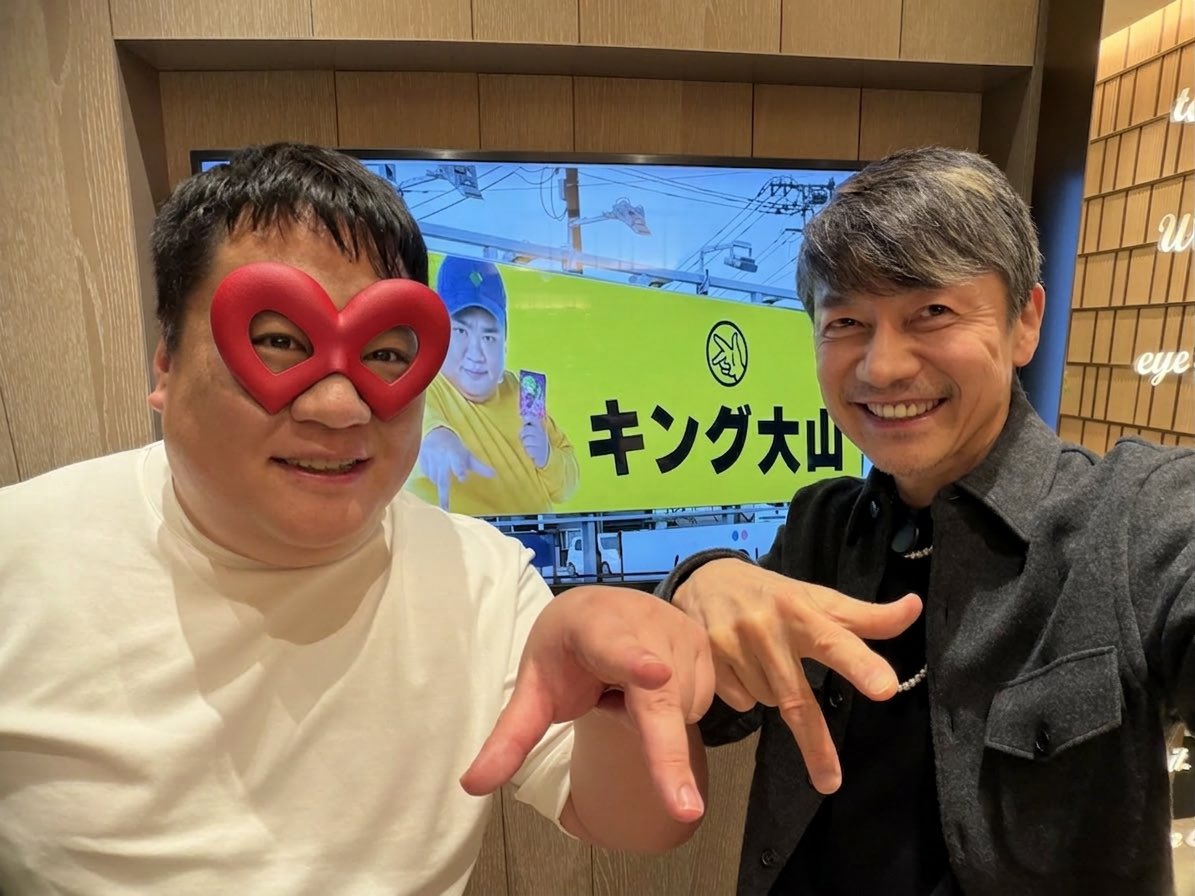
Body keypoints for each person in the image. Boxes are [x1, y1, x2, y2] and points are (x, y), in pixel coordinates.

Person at [0, 142, 714, 895]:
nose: (341, 407)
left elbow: (639, 822)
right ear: (165, 365)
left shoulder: (483, 578)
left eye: (385, 353)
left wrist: (620, 691)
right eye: (278, 342)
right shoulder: (20, 558)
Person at [660, 147, 1194, 895]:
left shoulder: (1131, 515)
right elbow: (702, 702)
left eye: (932, 312)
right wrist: (698, 582)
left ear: (1024, 321)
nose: (881, 368)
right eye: (846, 320)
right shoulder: (819, 527)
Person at [405, 255, 579, 515]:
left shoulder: (525, 389)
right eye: (461, 331)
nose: (476, 353)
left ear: (504, 345)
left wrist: (546, 456)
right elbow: (420, 425)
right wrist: (438, 439)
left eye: (488, 337)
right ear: (439, 336)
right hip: (459, 537)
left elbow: (567, 487)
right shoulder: (421, 382)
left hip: (539, 535)